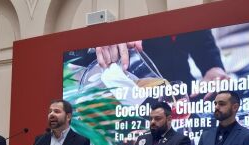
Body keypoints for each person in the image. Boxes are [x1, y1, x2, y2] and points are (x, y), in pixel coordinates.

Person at [95, 29, 228, 99]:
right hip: (134, 96)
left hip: (182, 94)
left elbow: (204, 45)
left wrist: (214, 68)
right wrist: (107, 33)